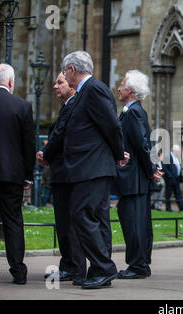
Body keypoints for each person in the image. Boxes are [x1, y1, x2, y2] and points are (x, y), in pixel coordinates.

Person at [53, 51, 128, 289]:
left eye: (65, 71)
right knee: (88, 216)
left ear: (72, 70)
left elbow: (112, 125)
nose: (64, 75)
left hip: (93, 167)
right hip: (87, 168)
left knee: (83, 215)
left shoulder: (93, 89)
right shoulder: (85, 91)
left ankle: (103, 268)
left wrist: (118, 154)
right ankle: (99, 269)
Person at [0, 64, 35, 285]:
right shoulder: (22, 106)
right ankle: (18, 271)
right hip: (12, 174)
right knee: (13, 221)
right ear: (11, 82)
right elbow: (29, 144)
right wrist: (28, 175)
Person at [113, 70, 162, 280]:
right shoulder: (131, 110)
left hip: (134, 178)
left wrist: (151, 170)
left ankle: (138, 265)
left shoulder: (133, 112)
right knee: (134, 221)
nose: (118, 88)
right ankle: (138, 263)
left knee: (135, 223)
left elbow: (142, 145)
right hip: (133, 177)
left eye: (122, 85)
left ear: (131, 90)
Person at [38, 72, 86, 283]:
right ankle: (70, 265)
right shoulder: (68, 105)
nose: (55, 86)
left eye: (60, 82)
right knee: (64, 222)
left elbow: (60, 135)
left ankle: (73, 267)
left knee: (68, 223)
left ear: (71, 85)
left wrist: (46, 154)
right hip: (63, 172)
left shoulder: (73, 104)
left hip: (68, 173)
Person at [162, 145, 183, 212]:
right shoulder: (167, 157)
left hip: (177, 179)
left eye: (178, 151)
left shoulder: (176, 157)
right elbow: (165, 168)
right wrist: (170, 176)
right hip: (170, 179)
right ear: (172, 150)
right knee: (168, 194)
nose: (177, 152)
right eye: (176, 151)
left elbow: (177, 167)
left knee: (178, 193)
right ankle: (168, 208)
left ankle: (181, 207)